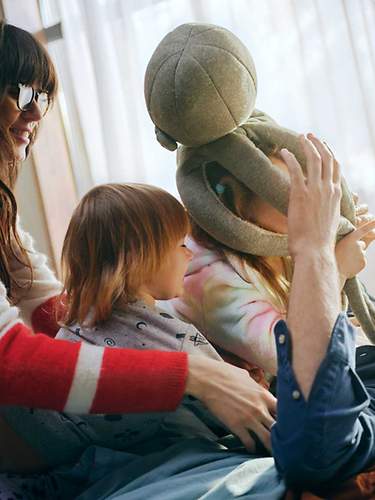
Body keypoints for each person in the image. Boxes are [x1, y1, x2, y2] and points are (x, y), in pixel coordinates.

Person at [0, 20, 276, 452]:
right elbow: (9, 363)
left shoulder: (4, 220)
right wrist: (190, 373)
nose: (36, 113)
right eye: (22, 92)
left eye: (45, 96)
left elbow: (52, 308)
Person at [165, 142, 375, 379]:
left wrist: (331, 244)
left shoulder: (264, 241)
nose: (310, 203)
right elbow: (301, 365)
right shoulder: (208, 281)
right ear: (231, 196)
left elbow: (294, 300)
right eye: (293, 192)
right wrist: (334, 268)